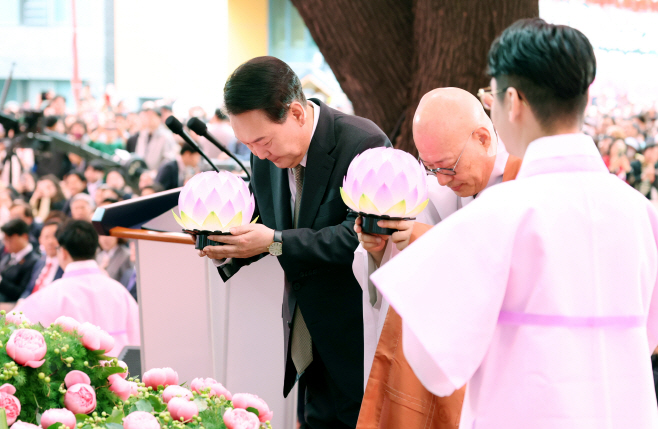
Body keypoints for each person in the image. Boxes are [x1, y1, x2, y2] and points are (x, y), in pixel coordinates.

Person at [371, 18, 658, 428]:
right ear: (586, 96)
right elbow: (646, 340)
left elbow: (433, 369)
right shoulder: (641, 212)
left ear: (513, 101)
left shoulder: (493, 216)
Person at [199, 56, 391, 429]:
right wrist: (222, 245)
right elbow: (262, 224)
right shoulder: (264, 155)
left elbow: (357, 237)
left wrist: (273, 242)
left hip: (355, 335)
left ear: (297, 113)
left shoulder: (362, 142)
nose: (258, 154)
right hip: (305, 335)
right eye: (247, 144)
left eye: (263, 141)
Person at [354, 87, 521, 429]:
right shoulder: (435, 184)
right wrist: (378, 249)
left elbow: (502, 264)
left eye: (447, 167)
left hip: (509, 361)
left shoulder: (525, 177)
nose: (442, 181)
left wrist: (419, 240)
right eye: (430, 168)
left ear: (483, 138)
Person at [14, 221, 140, 357]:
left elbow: (13, 328)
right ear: (95, 249)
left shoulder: (50, 295)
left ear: (63, 252)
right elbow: (138, 339)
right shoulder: (120, 291)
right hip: (122, 371)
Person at [20, 218, 64, 299]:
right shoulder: (40, 262)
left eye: (55, 236)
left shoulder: (65, 267)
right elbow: (29, 289)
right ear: (40, 240)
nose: (50, 241)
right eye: (46, 237)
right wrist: (21, 301)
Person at [0, 219, 41, 301]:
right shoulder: (8, 254)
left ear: (24, 237)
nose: (6, 243)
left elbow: (22, 292)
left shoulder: (34, 261)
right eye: (5, 240)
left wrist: (1, 282)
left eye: (10, 240)